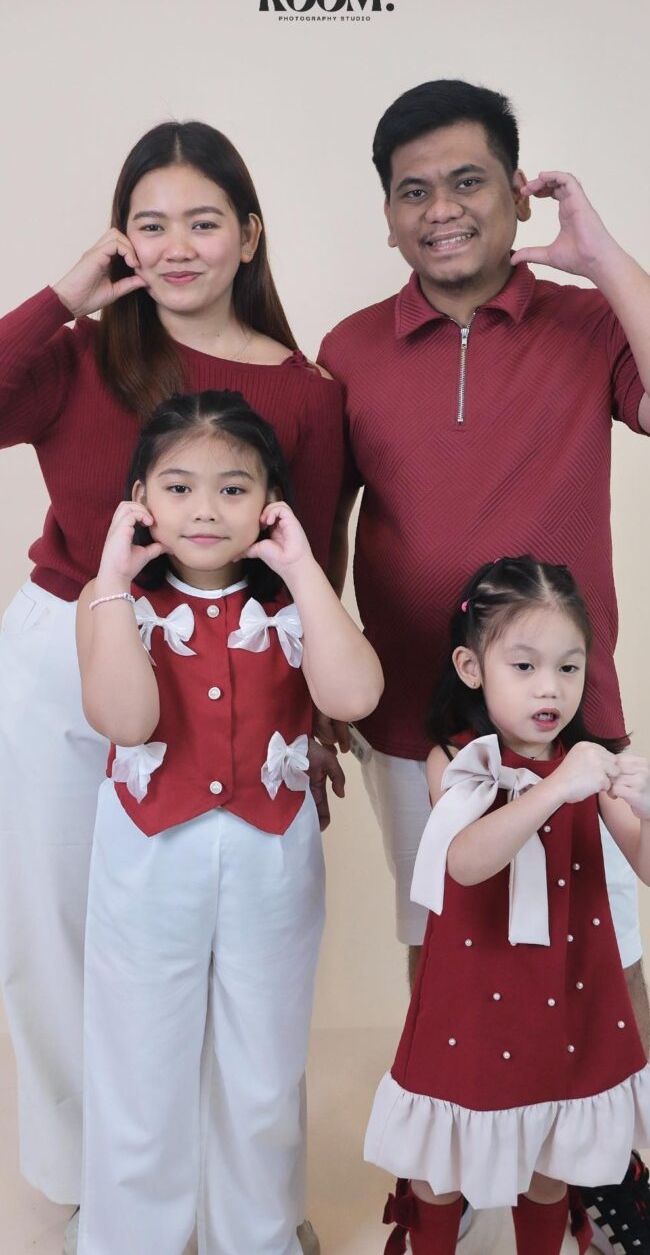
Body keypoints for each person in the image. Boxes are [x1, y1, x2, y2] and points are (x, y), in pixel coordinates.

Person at [0, 120, 343, 1254]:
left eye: (203, 221)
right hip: (69, 644)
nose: (178, 246)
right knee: (57, 928)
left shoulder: (303, 389)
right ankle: (94, 1185)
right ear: (120, 238)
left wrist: (307, 714)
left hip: (234, 664)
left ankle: (243, 1206)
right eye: (150, 224)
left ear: (250, 233)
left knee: (227, 947)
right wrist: (61, 297)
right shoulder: (76, 353)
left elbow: (309, 556)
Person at [317, 79, 650, 1246]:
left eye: (466, 182)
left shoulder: (588, 323)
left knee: (605, 948)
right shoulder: (349, 348)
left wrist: (603, 260)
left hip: (570, 716)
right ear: (386, 216)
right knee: (445, 948)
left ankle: (604, 1169)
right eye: (412, 191)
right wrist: (313, 694)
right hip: (413, 722)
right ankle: (447, 1174)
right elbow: (321, 528)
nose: (440, 209)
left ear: (516, 193)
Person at [75, 390, 382, 1255]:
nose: (205, 510)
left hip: (270, 852)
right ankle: (132, 1238)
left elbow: (355, 695)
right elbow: (127, 720)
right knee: (140, 1058)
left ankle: (257, 1234)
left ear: (271, 503)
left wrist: (304, 570)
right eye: (178, 488)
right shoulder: (108, 602)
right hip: (149, 856)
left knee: (264, 1063)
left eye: (234, 489)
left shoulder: (292, 606)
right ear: (139, 499)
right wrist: (113, 580)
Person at [365, 555, 650, 1255]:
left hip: (565, 988)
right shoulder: (458, 758)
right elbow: (465, 861)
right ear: (472, 668)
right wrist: (554, 789)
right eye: (524, 666)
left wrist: (643, 807)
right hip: (472, 991)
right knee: (440, 1166)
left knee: (551, 1160)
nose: (549, 687)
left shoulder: (589, 761)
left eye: (568, 667)